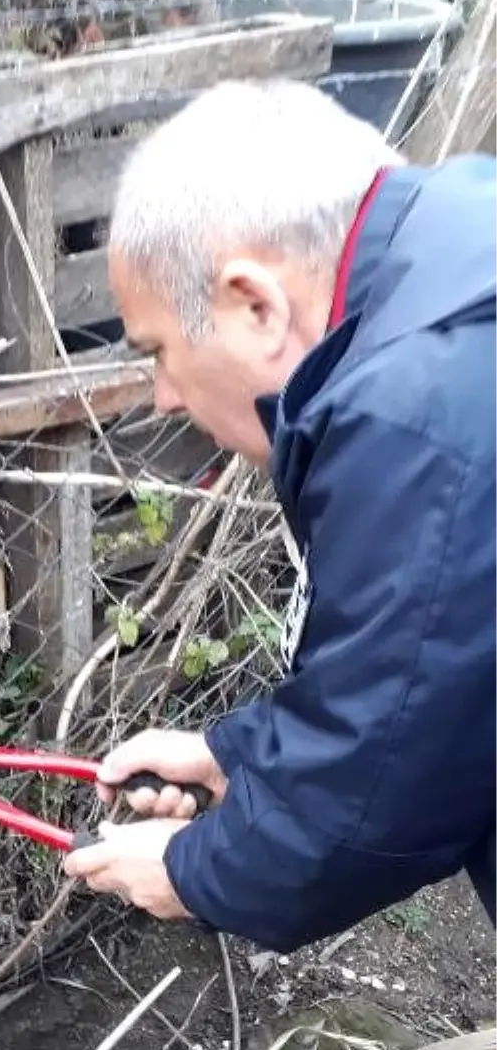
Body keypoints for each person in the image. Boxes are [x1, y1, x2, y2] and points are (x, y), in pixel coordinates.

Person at [61, 77, 497, 953]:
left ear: (255, 305)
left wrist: (192, 869)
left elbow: (383, 781)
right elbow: (446, 692)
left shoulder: (417, 421)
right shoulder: (457, 260)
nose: (161, 397)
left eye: (159, 353)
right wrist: (239, 753)